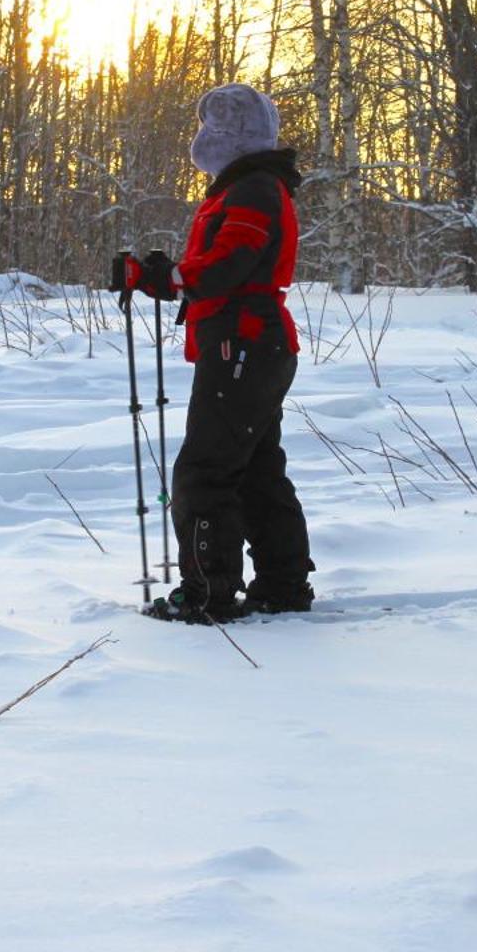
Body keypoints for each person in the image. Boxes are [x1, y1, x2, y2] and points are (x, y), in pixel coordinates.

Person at [122, 84, 314, 623]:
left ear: (233, 135)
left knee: (206, 469)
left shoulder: (253, 188)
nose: (202, 140)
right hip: (251, 341)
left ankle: (208, 590)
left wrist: (171, 277)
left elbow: (232, 264)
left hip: (245, 342)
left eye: (213, 129)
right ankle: (281, 584)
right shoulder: (249, 186)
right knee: (254, 469)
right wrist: (165, 278)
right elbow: (223, 267)